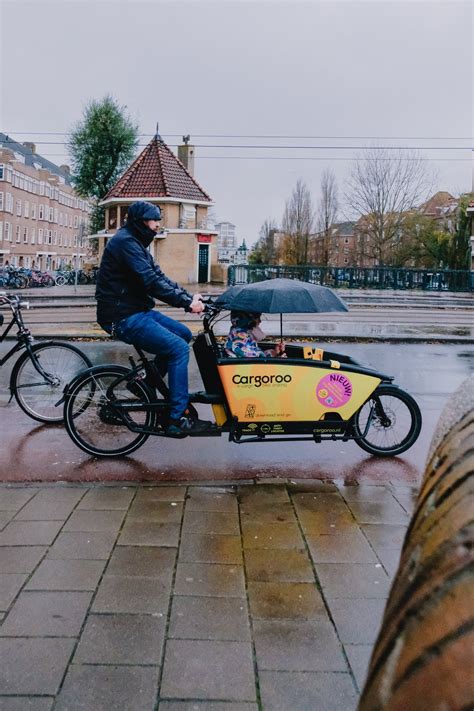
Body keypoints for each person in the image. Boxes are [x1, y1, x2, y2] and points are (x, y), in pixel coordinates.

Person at [95, 200, 211, 437]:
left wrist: (190, 298)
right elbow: (151, 282)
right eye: (154, 220)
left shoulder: (135, 243)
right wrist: (187, 304)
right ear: (140, 222)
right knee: (179, 349)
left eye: (159, 220)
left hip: (136, 310)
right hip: (122, 316)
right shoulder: (125, 243)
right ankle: (176, 418)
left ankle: (146, 383)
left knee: (184, 334)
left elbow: (160, 276)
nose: (158, 225)